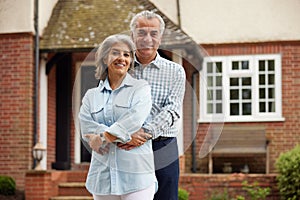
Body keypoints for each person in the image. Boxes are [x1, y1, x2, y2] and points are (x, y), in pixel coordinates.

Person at [78, 34, 157, 200]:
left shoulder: (140, 89)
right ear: (105, 58)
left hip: (136, 176)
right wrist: (124, 135)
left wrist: (103, 137)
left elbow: (135, 119)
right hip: (102, 178)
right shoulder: (91, 96)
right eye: (115, 53)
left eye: (127, 55)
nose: (121, 58)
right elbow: (86, 127)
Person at [118, 10, 186, 200]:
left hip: (162, 145)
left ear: (160, 37)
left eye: (153, 33)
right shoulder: (120, 68)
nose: (147, 38)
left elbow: (172, 110)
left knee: (166, 196)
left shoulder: (175, 71)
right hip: (126, 144)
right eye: (141, 33)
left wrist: (144, 133)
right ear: (133, 36)